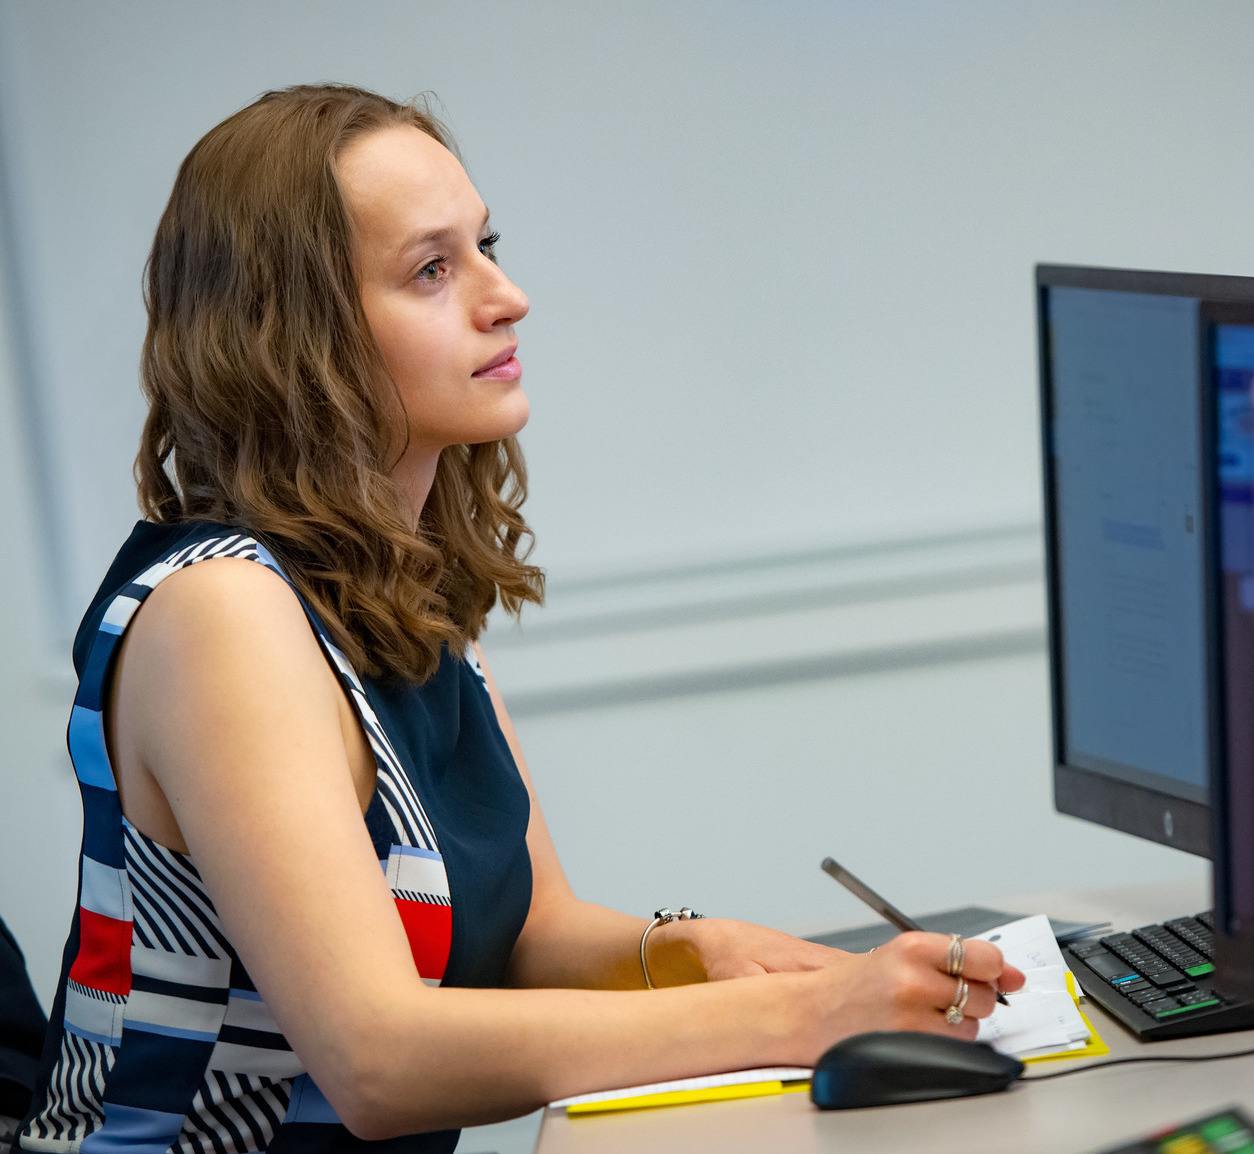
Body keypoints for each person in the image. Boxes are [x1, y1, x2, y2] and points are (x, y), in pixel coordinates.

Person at [15, 83, 1024, 1153]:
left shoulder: (396, 583)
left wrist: (700, 949)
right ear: (293, 338)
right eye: (432, 269)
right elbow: (377, 1056)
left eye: (483, 244)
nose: (508, 295)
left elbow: (531, 929)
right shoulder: (219, 610)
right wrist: (799, 1016)